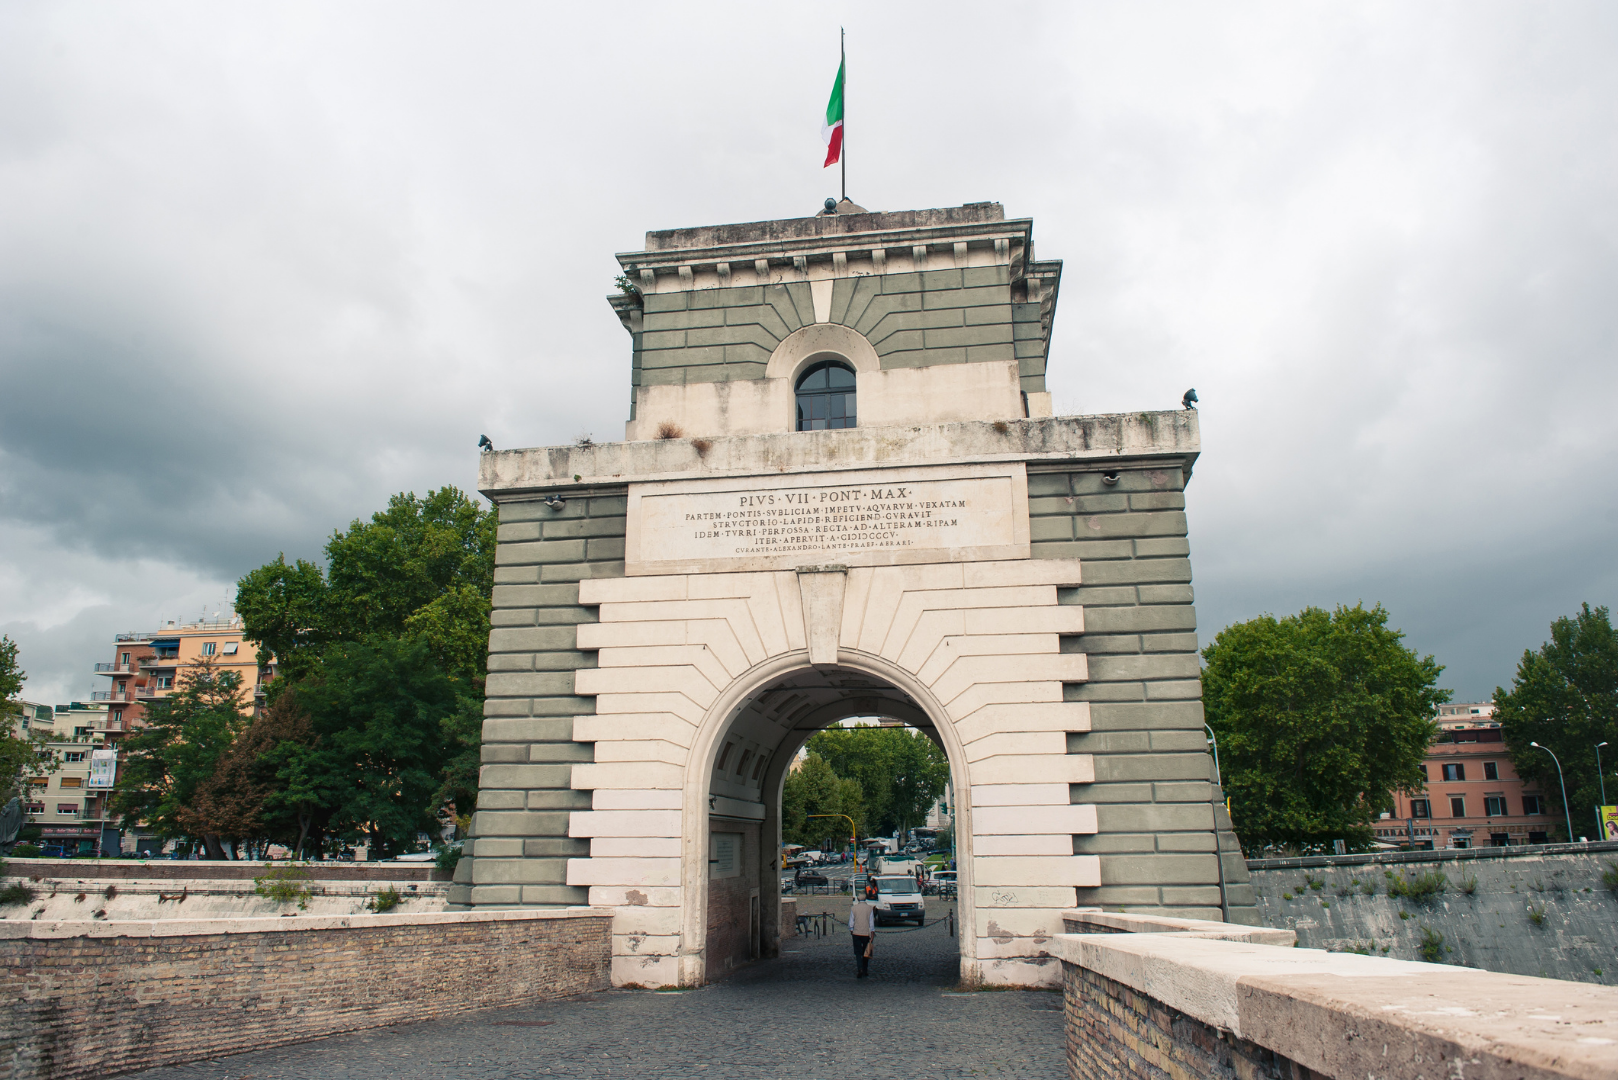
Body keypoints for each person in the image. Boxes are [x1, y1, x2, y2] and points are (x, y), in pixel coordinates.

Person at [848, 891, 877, 978]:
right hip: (866, 933)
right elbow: (871, 923)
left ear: (858, 899)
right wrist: (872, 932)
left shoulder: (854, 908)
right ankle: (865, 969)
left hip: (856, 932)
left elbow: (851, 922)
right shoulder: (869, 908)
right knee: (866, 952)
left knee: (858, 952)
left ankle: (859, 968)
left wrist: (851, 929)